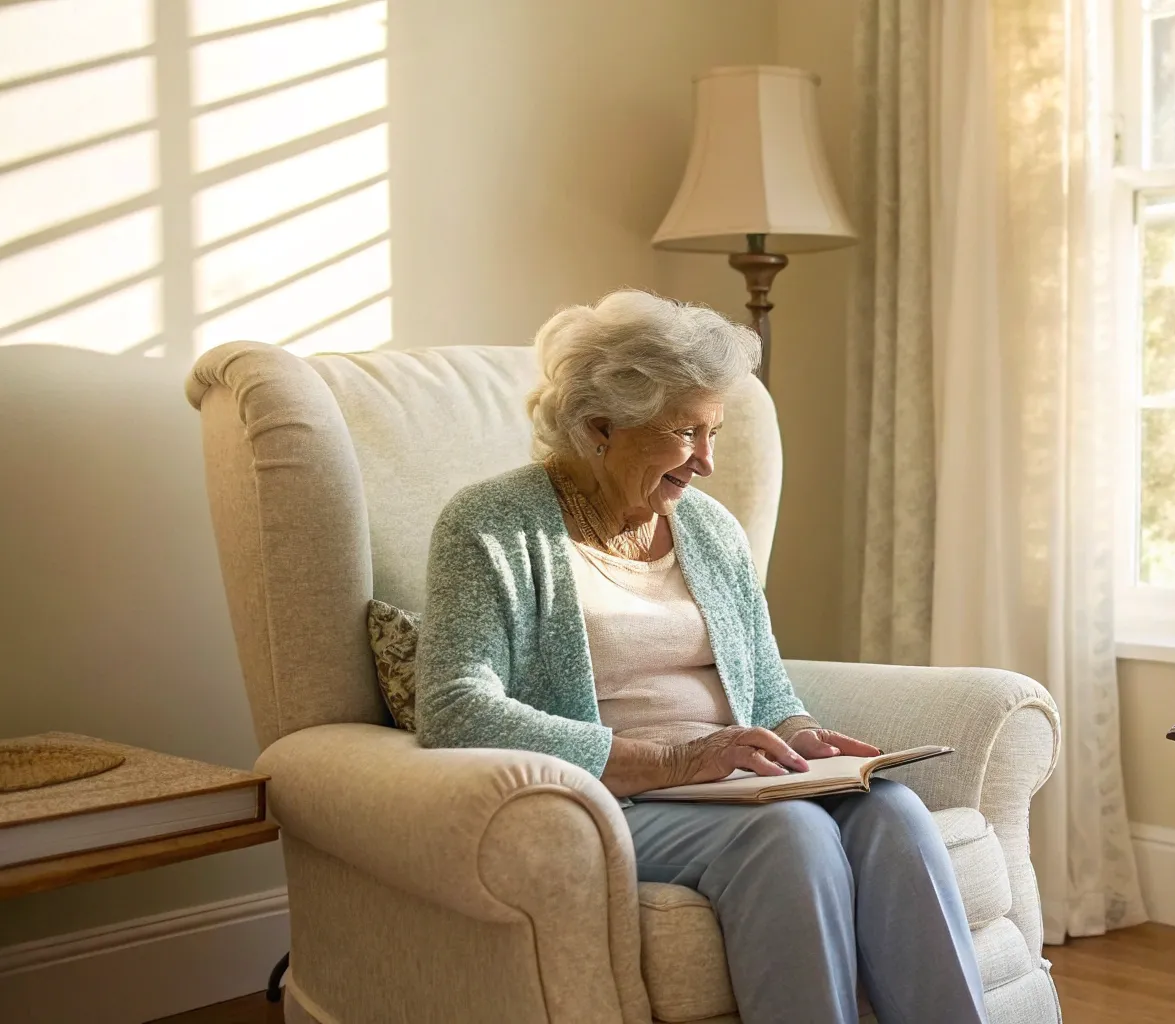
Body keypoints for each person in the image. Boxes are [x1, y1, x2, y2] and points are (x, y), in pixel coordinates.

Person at [413, 290, 985, 1024]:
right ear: (598, 429)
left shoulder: (709, 529)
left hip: (731, 782)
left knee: (893, 812)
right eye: (687, 434)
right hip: (617, 796)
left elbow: (766, 681)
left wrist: (800, 733)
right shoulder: (491, 525)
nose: (709, 464)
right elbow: (455, 707)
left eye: (713, 432)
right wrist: (674, 763)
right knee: (791, 832)